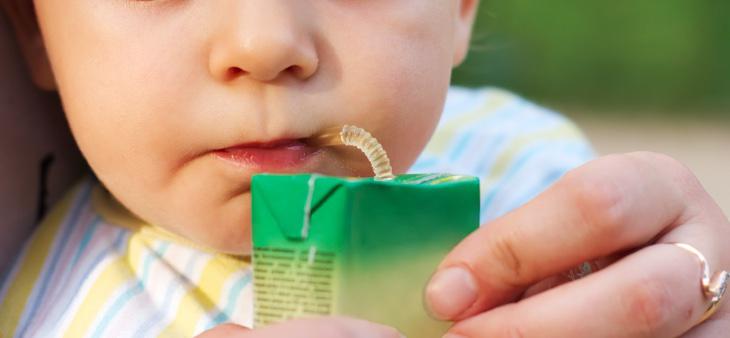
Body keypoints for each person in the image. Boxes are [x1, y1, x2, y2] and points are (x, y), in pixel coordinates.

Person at [0, 1, 727, 337]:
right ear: (34, 28)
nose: (265, 41)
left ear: (461, 8)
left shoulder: (532, 171)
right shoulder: (47, 311)